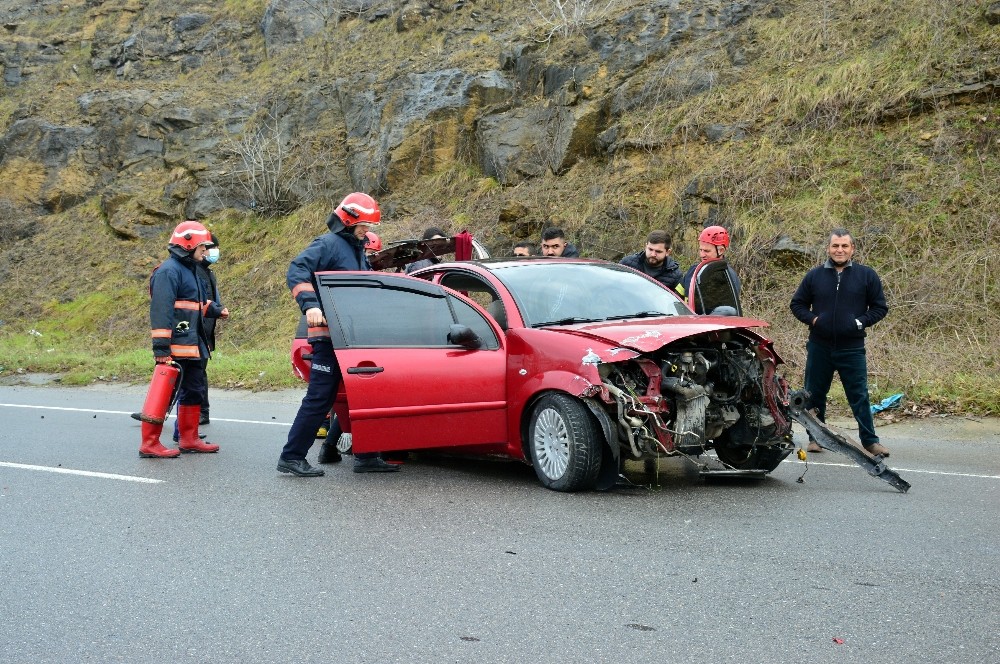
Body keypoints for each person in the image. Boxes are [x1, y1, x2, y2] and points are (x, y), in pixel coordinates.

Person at [279, 192, 400, 477]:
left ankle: (367, 456)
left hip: (352, 339)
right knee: (320, 398)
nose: (367, 231)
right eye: (364, 225)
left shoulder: (356, 248)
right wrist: (310, 305)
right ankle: (292, 456)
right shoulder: (328, 244)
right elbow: (297, 271)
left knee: (364, 396)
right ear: (348, 219)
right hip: (329, 338)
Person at [790, 228, 890, 457]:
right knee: (813, 394)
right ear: (828, 248)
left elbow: (879, 308)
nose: (840, 250)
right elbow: (797, 305)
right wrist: (814, 319)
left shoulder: (867, 276)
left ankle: (870, 442)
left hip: (852, 347)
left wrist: (859, 322)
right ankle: (816, 438)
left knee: (859, 395)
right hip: (820, 346)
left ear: (852, 249)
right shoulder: (814, 276)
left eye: (845, 246)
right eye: (835, 246)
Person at [139, 220, 224, 458]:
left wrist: (214, 310)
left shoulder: (190, 271)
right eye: (203, 247)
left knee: (194, 390)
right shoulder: (168, 272)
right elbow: (161, 312)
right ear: (188, 245)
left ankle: (189, 439)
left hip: (193, 345)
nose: (206, 252)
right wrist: (161, 348)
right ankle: (149, 443)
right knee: (164, 393)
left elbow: (191, 305)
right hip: (175, 348)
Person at [677, 225, 741, 302]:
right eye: (701, 250)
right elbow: (676, 298)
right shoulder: (693, 271)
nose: (702, 255)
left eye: (707, 251)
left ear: (721, 251)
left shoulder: (728, 277)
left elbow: (726, 310)